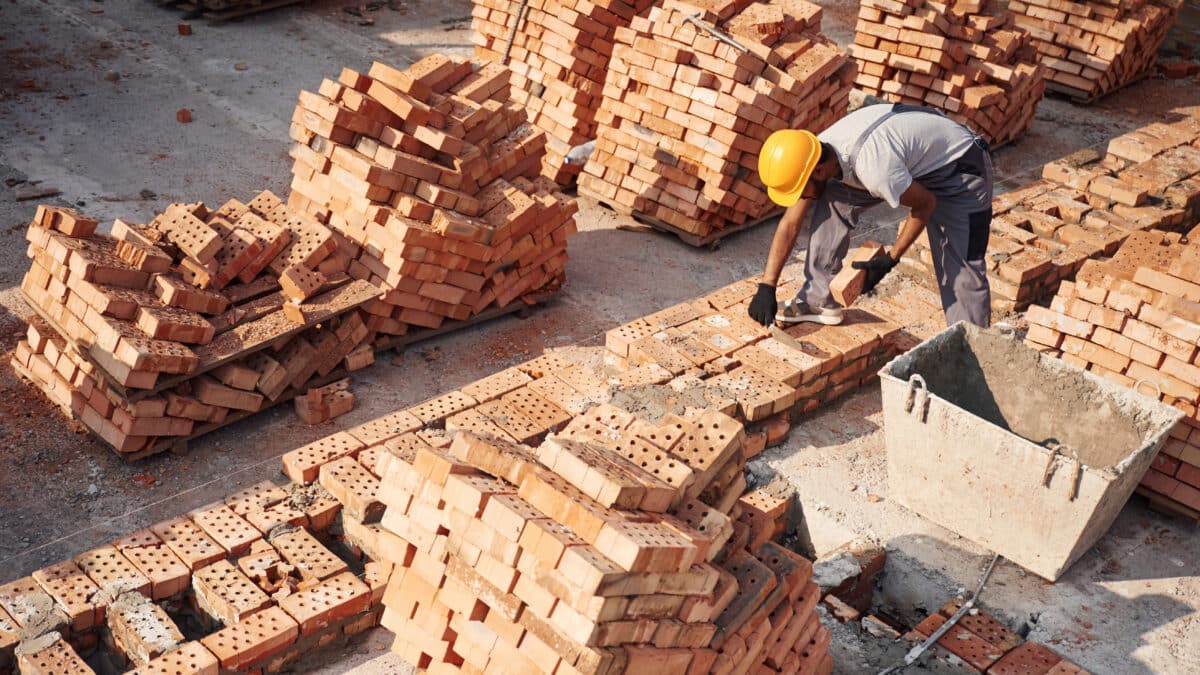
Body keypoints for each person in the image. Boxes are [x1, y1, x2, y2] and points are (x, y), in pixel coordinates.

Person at [748, 103, 994, 329]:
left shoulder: (874, 168)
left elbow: (925, 204)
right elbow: (790, 224)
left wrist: (890, 259)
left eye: (800, 190)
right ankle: (818, 299)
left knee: (961, 268)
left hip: (961, 168)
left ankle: (971, 347)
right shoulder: (814, 154)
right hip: (907, 156)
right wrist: (767, 286)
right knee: (831, 195)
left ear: (819, 170)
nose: (802, 197)